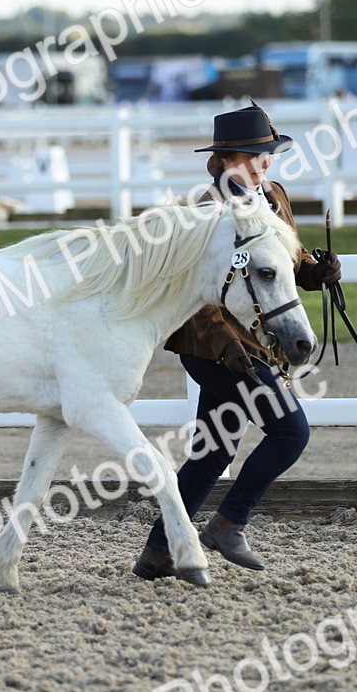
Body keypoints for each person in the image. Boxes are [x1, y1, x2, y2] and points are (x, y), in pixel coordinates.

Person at [133, 102, 341, 580]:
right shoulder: (209, 208)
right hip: (213, 348)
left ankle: (159, 552)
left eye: (267, 153)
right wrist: (229, 344)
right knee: (291, 432)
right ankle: (228, 523)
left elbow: (283, 262)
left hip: (249, 345)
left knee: (214, 451)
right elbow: (196, 288)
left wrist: (317, 271)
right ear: (227, 158)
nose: (264, 162)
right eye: (253, 154)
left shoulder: (273, 196)